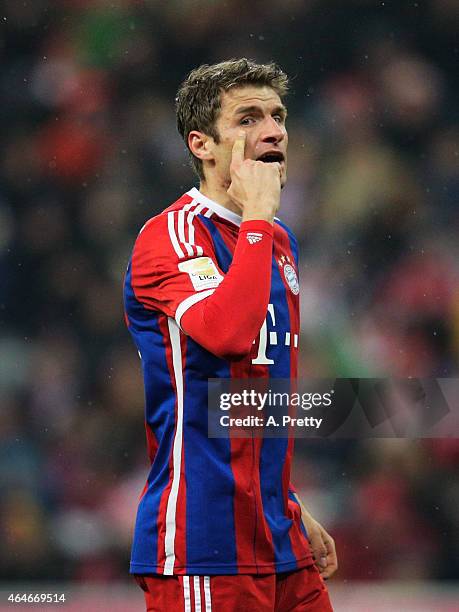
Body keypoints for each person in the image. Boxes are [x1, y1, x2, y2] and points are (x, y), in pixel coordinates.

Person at [124, 58, 336, 611]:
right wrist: (260, 216)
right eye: (247, 118)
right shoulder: (169, 235)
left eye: (277, 115)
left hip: (277, 536)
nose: (273, 130)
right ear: (202, 145)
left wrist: (286, 500)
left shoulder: (279, 240)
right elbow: (226, 335)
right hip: (204, 544)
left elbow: (251, 396)